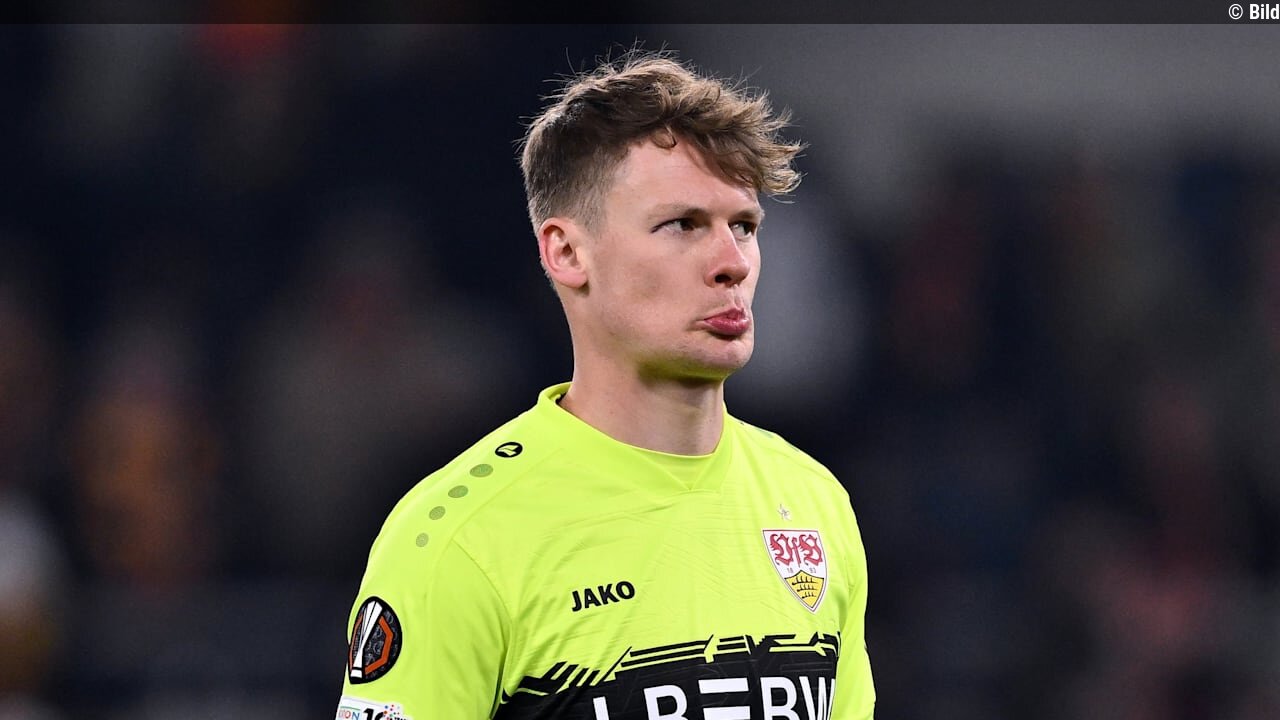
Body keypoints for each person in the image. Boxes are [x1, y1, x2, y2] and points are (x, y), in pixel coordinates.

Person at [334, 50, 875, 720]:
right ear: (566, 253)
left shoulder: (814, 503)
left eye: (744, 226)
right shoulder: (459, 538)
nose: (732, 262)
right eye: (683, 225)